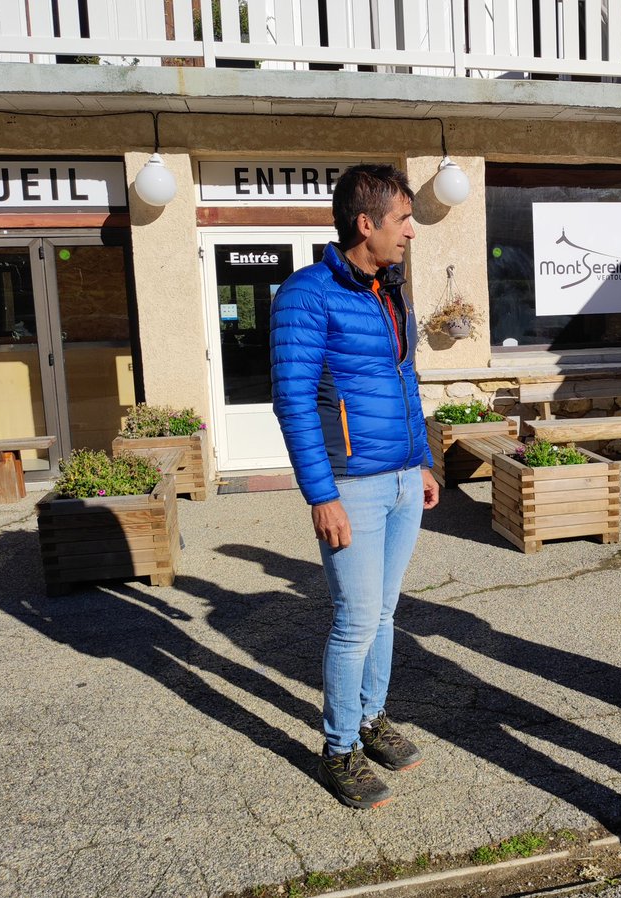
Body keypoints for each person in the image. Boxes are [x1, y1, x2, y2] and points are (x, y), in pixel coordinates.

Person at [270, 163, 439, 810]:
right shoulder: (306, 294)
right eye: (403, 219)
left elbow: (406, 380)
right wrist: (322, 495)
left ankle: (372, 719)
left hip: (400, 479)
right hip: (351, 486)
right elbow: (292, 402)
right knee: (354, 622)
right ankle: (338, 748)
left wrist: (421, 460)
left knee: (385, 614)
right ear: (365, 223)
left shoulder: (390, 291)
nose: (411, 233)